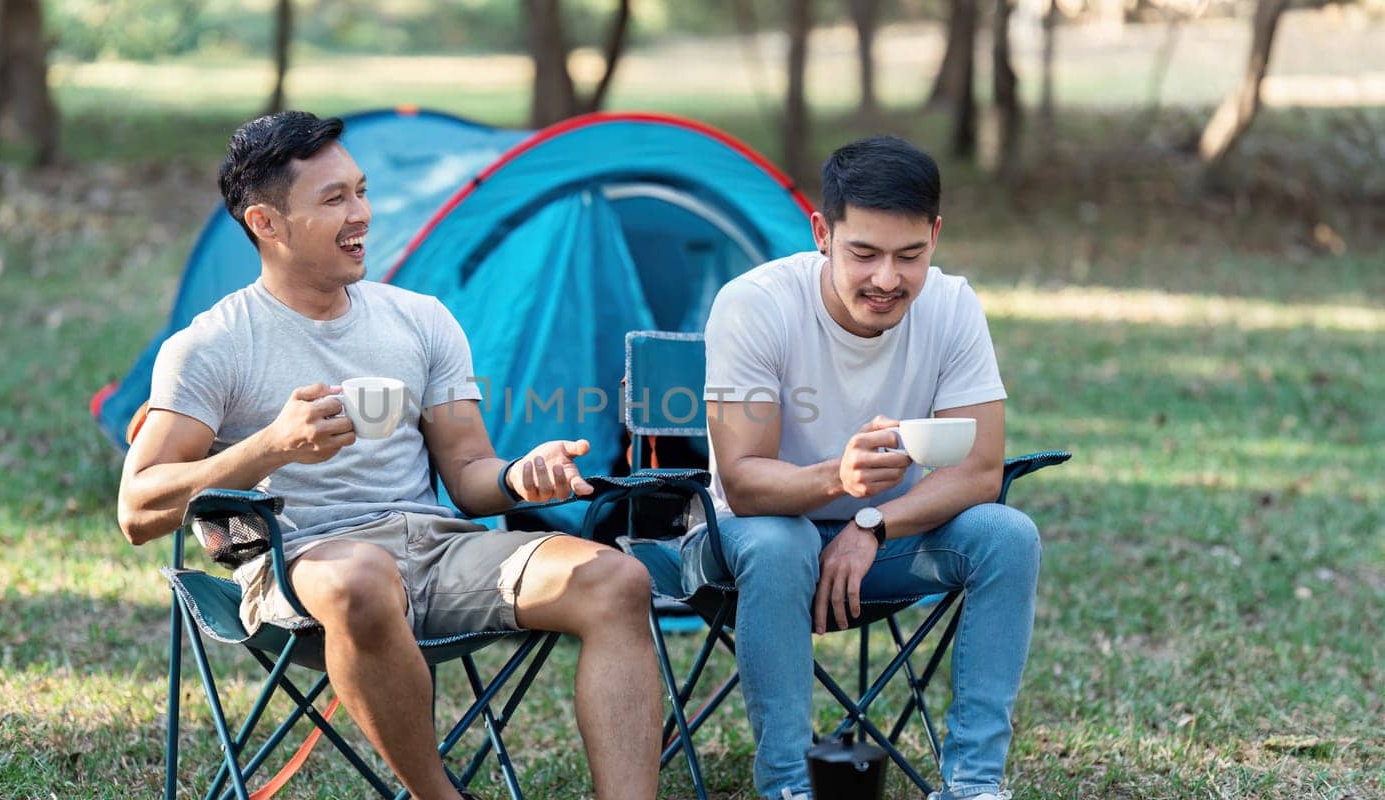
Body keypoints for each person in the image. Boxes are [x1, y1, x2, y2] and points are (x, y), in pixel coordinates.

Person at [116, 111, 660, 800]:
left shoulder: (420, 319)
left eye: (362, 191)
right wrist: (270, 446)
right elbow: (137, 510)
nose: (362, 215)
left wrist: (521, 477)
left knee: (617, 582)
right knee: (362, 581)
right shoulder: (212, 346)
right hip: (303, 563)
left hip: (437, 550)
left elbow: (468, 476)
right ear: (267, 224)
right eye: (334, 199)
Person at [691, 135, 1040, 800]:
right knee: (779, 538)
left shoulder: (951, 304)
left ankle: (973, 783)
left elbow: (980, 468)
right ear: (822, 233)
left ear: (935, 236)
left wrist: (873, 520)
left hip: (882, 541)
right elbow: (741, 478)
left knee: (1007, 534)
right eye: (864, 253)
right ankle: (791, 785)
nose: (887, 279)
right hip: (754, 541)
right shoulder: (756, 305)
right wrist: (838, 479)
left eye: (909, 255)